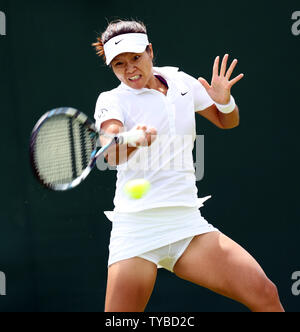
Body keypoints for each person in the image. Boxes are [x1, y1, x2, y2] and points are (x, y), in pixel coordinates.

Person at [92, 20, 284, 312]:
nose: (130, 69)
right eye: (119, 64)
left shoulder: (181, 82)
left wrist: (225, 102)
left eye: (135, 58)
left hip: (187, 225)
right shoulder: (112, 100)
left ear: (150, 51)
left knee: (265, 294)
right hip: (136, 229)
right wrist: (133, 140)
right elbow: (112, 151)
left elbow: (226, 121)